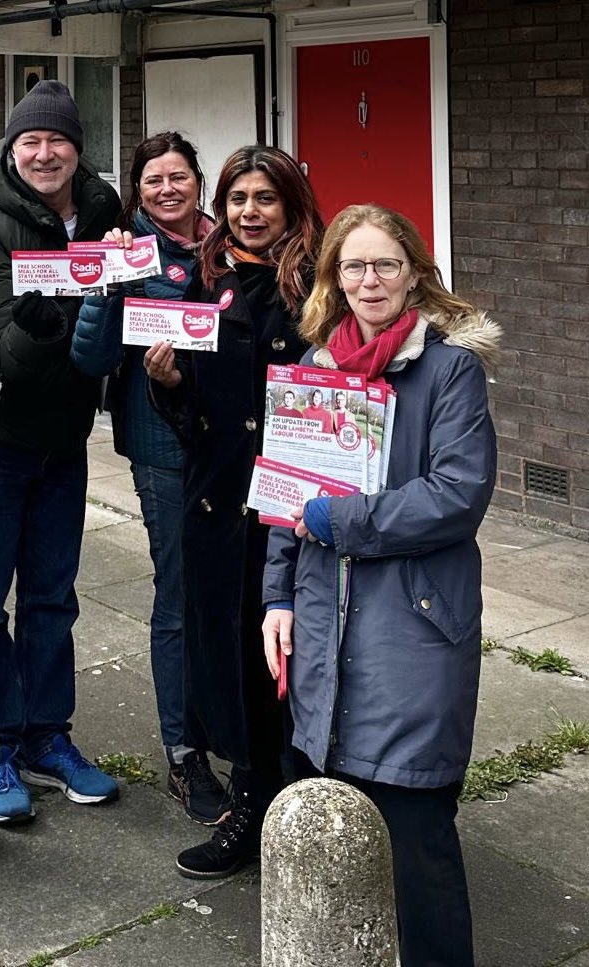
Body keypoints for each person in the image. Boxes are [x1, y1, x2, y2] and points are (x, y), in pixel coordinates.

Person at [262, 204, 500, 966]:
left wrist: (338, 518)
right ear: (334, 277)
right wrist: (276, 597)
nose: (370, 280)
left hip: (415, 626)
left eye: (385, 265)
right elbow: (285, 499)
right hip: (321, 621)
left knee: (414, 826)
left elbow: (457, 494)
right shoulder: (312, 372)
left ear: (413, 275)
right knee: (330, 814)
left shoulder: (451, 371)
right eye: (354, 266)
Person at [145, 145, 323, 878]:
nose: (250, 213)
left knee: (298, 663)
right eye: (239, 198)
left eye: (266, 199)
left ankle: (310, 809)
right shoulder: (202, 284)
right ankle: (250, 804)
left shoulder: (321, 287)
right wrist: (171, 385)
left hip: (296, 510)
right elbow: (195, 421)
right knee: (235, 659)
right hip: (221, 504)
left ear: (291, 205)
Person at [0, 80, 122, 824]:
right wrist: (35, 321)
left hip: (66, 442)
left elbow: (118, 311)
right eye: (31, 140)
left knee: (54, 598)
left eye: (58, 140)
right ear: (13, 146)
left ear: (77, 149)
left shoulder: (103, 211)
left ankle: (47, 737)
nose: (45, 152)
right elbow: (0, 351)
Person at [70, 132, 229, 826]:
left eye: (180, 177)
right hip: (163, 442)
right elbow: (92, 357)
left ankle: (236, 729)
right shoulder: (125, 250)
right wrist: (108, 285)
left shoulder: (227, 243)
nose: (168, 189)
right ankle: (184, 750)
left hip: (229, 441)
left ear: (199, 181)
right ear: (138, 190)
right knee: (180, 592)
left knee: (237, 588)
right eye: (154, 180)